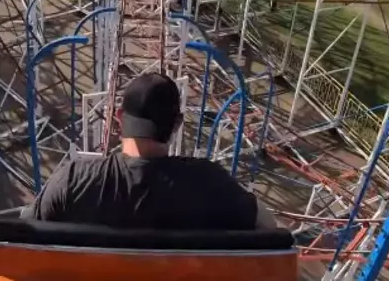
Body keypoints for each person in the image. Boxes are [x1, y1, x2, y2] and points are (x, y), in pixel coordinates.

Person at [21, 72, 277, 230]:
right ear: (176, 124)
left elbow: (27, 232)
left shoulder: (73, 179)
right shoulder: (210, 181)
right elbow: (268, 226)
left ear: (119, 117)